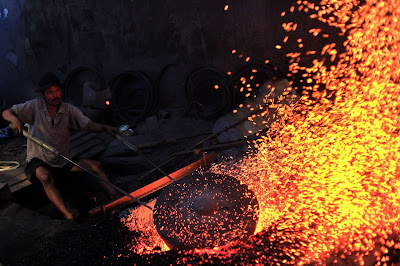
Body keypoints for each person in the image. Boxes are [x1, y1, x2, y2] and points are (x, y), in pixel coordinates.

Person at [2, 72, 119, 220]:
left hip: (63, 160)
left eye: (57, 91)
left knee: (96, 166)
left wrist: (105, 127)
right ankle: (68, 216)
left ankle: (118, 199)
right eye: (50, 92)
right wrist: (15, 119)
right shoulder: (34, 107)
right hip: (39, 160)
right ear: (43, 95)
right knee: (45, 177)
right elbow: (7, 112)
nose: (54, 95)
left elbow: (89, 125)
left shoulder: (68, 110)